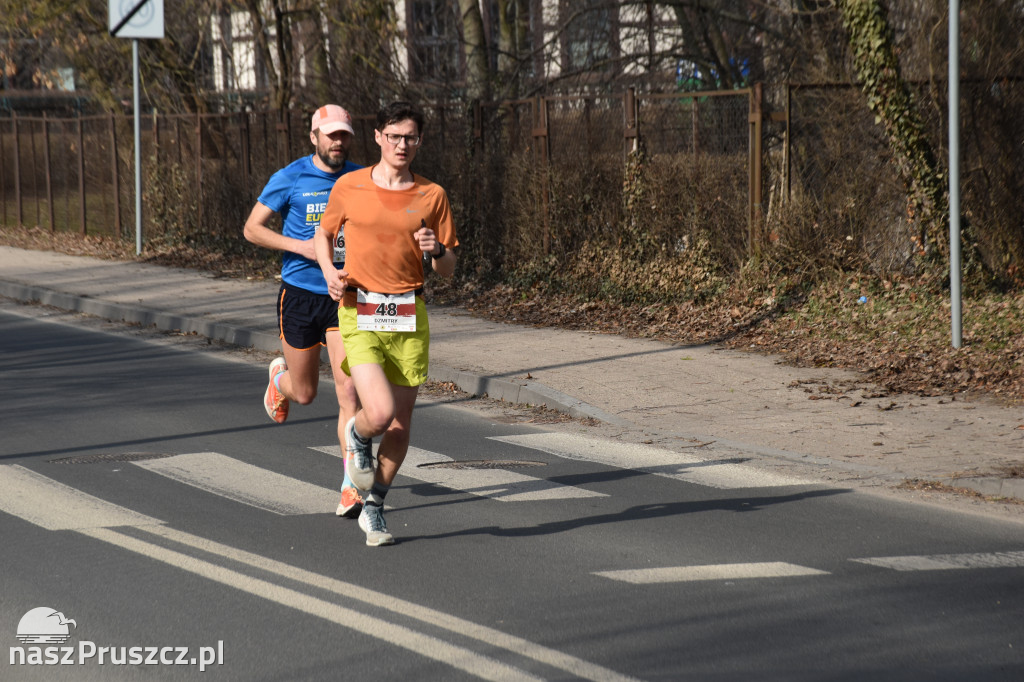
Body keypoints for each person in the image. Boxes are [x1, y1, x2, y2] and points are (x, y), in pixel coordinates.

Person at [315, 101, 458, 546]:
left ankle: (374, 505)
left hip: (408, 313)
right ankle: (357, 436)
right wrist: (329, 273)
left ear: (419, 142)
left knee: (400, 424)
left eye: (410, 137)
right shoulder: (350, 186)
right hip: (359, 310)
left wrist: (436, 250)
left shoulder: (431, 195)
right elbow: (322, 235)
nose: (402, 145)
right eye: (393, 136)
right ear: (377, 136)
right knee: (377, 413)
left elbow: (449, 267)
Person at [243, 104, 365, 519]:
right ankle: (279, 379)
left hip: (344, 297)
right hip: (299, 295)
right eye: (330, 135)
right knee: (307, 392)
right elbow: (252, 228)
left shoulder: (361, 178)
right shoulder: (290, 177)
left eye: (344, 135)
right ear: (313, 137)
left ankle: (351, 486)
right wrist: (302, 246)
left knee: (350, 392)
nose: (338, 142)